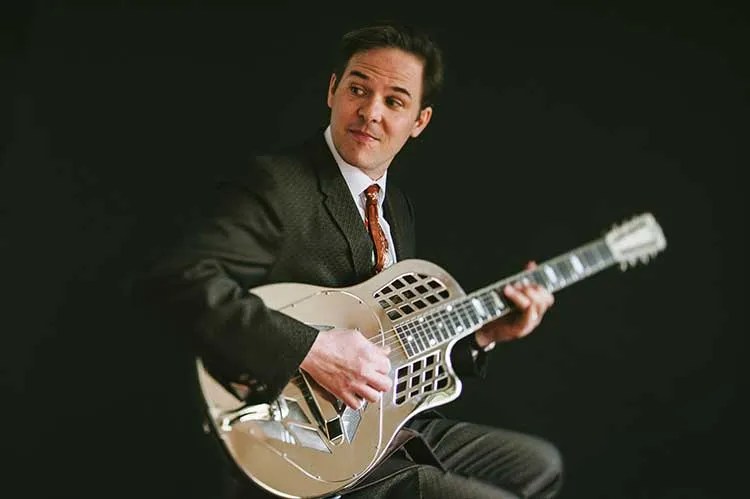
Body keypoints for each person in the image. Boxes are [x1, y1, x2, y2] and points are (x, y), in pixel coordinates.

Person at [135, 22, 563, 499]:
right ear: (333, 90)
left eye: (394, 101)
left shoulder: (396, 207)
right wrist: (312, 350)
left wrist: (485, 334)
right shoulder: (278, 185)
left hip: (379, 430)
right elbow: (180, 281)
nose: (370, 112)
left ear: (419, 121)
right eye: (358, 89)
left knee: (538, 466)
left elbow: (394, 347)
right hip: (303, 442)